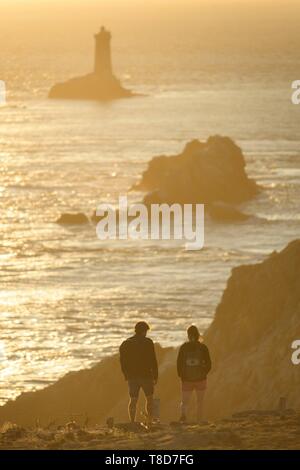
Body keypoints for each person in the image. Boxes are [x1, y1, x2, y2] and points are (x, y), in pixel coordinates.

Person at [119, 321, 158, 424]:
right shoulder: (148, 342)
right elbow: (153, 360)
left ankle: (132, 421)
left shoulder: (126, 343)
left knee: (133, 400)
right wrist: (155, 375)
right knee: (149, 399)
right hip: (146, 375)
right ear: (144, 331)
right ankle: (149, 421)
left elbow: (122, 361)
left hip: (132, 377)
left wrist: (126, 374)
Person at [177, 325, 211, 423]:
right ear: (197, 334)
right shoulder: (203, 347)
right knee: (200, 402)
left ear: (188, 335)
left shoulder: (184, 347)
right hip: (201, 379)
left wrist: (181, 376)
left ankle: (183, 417)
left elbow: (179, 363)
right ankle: (199, 420)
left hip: (187, 379)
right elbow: (209, 363)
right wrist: (204, 373)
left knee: (185, 402)